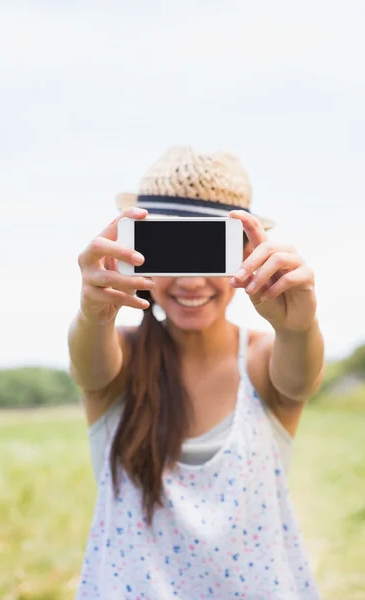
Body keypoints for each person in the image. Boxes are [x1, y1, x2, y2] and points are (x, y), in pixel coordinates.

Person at [69, 146, 324, 599]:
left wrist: (299, 327)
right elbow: (88, 364)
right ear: (135, 253)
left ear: (248, 253)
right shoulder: (119, 357)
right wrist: (94, 312)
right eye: (170, 251)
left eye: (210, 251)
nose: (191, 281)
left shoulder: (265, 358)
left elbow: (301, 377)